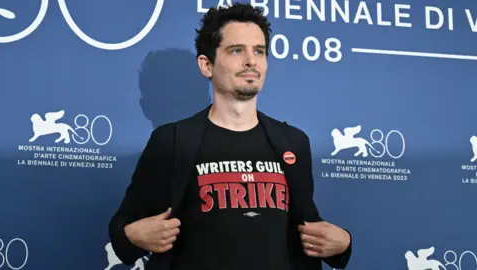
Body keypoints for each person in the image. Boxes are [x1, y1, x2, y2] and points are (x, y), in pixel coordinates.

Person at [108, 3, 352, 270]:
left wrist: (343, 245)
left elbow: (310, 227)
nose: (251, 61)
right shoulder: (171, 141)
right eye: (236, 50)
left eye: (259, 51)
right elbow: (123, 229)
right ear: (206, 65)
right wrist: (133, 235)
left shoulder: (293, 143)